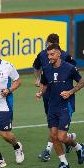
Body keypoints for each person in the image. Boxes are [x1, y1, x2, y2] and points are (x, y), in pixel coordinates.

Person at [35, 43, 84, 168]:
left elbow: (82, 82)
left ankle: (79, 147)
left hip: (65, 106)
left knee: (62, 137)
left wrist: (70, 92)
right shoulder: (46, 69)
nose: (49, 57)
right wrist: (41, 92)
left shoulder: (69, 68)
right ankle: (64, 163)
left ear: (59, 53)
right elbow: (45, 84)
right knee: (53, 136)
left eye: (52, 54)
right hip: (52, 106)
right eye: (48, 55)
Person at [33, 33, 76, 161]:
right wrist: (38, 79)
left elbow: (74, 71)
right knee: (52, 124)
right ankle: (69, 139)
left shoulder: (66, 56)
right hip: (48, 95)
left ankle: (48, 149)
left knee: (56, 128)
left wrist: (69, 90)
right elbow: (36, 67)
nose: (49, 54)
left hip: (63, 97)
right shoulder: (42, 55)